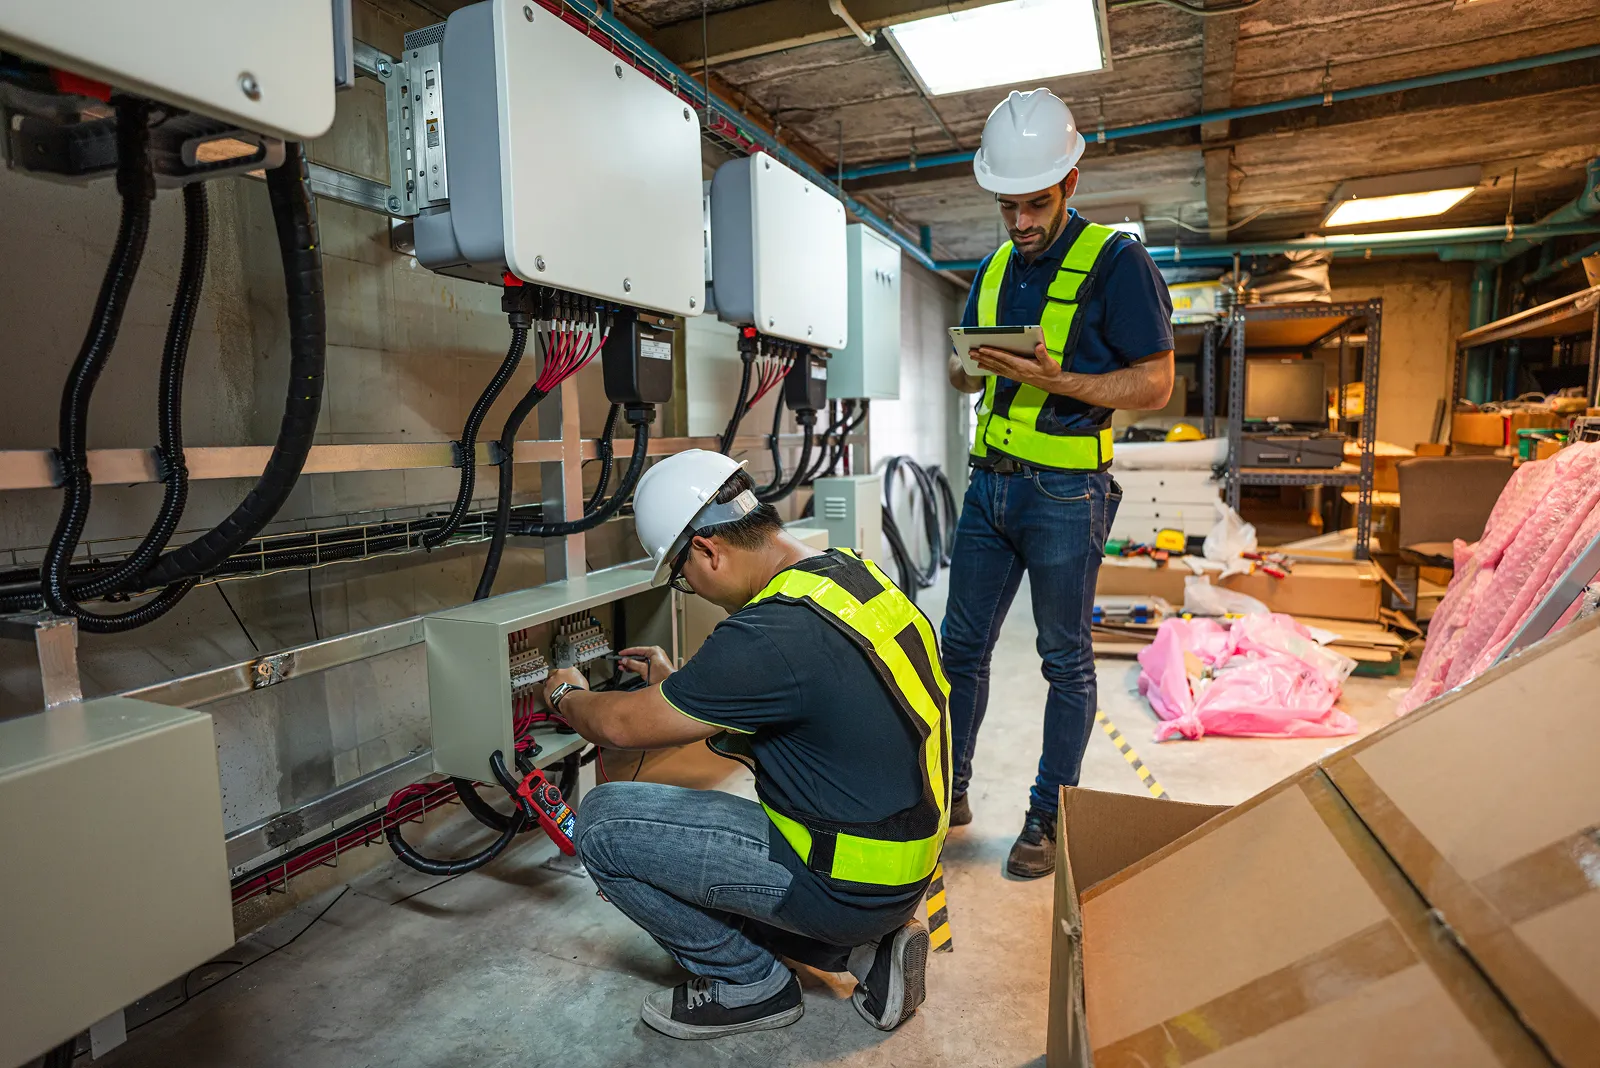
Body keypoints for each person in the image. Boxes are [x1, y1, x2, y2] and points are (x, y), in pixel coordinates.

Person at [540, 449, 951, 1040]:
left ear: (708, 550)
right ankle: (865, 953)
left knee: (603, 825)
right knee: (698, 855)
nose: (692, 589)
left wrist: (564, 697)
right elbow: (814, 717)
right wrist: (686, 690)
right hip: (902, 868)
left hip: (842, 882)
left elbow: (621, 727)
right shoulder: (847, 575)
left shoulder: (767, 634)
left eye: (683, 577)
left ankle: (747, 983)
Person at [944, 88, 1175, 878]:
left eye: (1035, 204)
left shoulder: (1119, 262)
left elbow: (1154, 385)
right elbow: (960, 377)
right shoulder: (995, 266)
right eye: (1007, 206)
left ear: (1071, 182)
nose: (1020, 224)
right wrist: (964, 363)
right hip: (989, 489)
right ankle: (953, 789)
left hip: (1065, 496)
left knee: (1064, 660)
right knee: (959, 652)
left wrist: (1059, 377)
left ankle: (1047, 817)